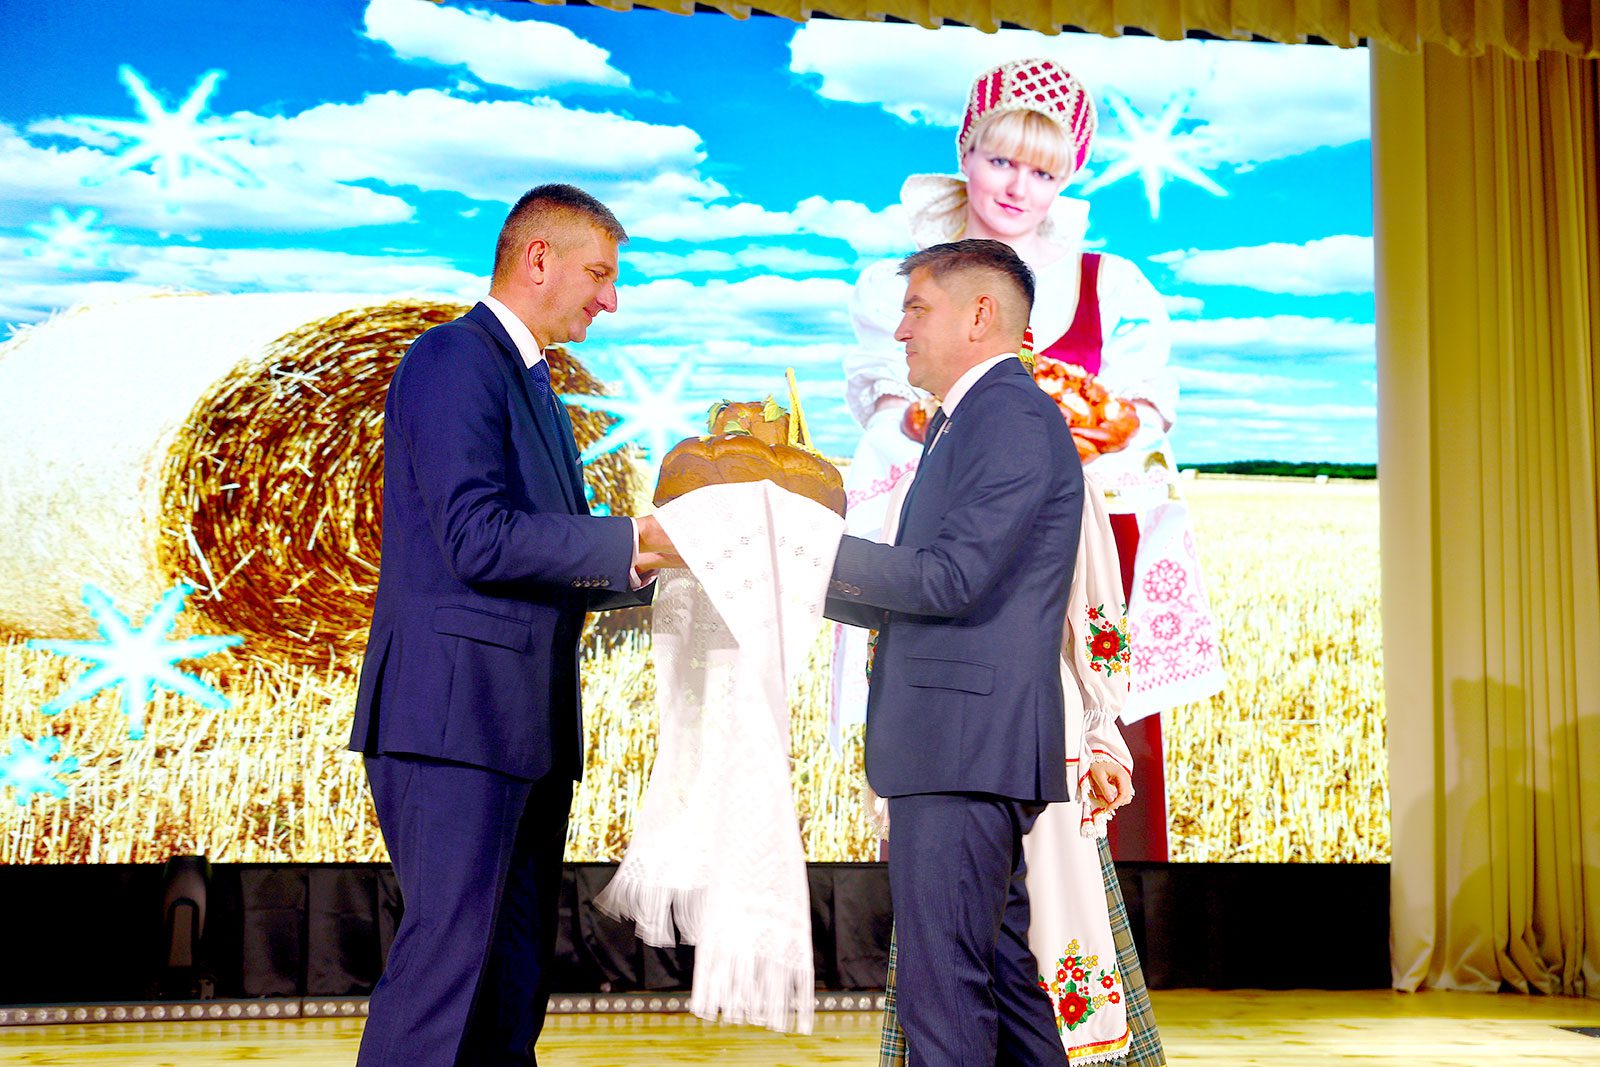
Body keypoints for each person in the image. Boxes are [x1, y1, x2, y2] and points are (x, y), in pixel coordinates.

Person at [835, 56, 1224, 865]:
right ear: (965, 154)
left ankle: (1095, 932)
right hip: (953, 540)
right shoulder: (902, 281)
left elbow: (1143, 410)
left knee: (1097, 733)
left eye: (1043, 171)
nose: (1017, 186)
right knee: (949, 744)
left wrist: (1096, 433)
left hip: (1084, 539)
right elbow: (889, 405)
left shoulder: (1108, 283)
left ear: (1067, 177)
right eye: (1001, 160)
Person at [348, 183, 677, 1067]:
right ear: (538, 259)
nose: (610, 299)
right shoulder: (453, 358)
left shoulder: (535, 386)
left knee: (509, 980)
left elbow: (551, 555)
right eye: (600, 274)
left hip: (519, 727)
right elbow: (476, 537)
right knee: (445, 978)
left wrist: (665, 568)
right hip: (457, 721)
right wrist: (634, 537)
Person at [824, 238, 1081, 1065]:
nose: (900, 331)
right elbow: (934, 583)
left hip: (963, 749)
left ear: (980, 315)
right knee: (1001, 985)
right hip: (964, 747)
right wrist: (786, 577)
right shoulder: (975, 418)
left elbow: (948, 579)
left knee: (943, 995)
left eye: (916, 309)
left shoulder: (1006, 416)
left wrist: (801, 551)